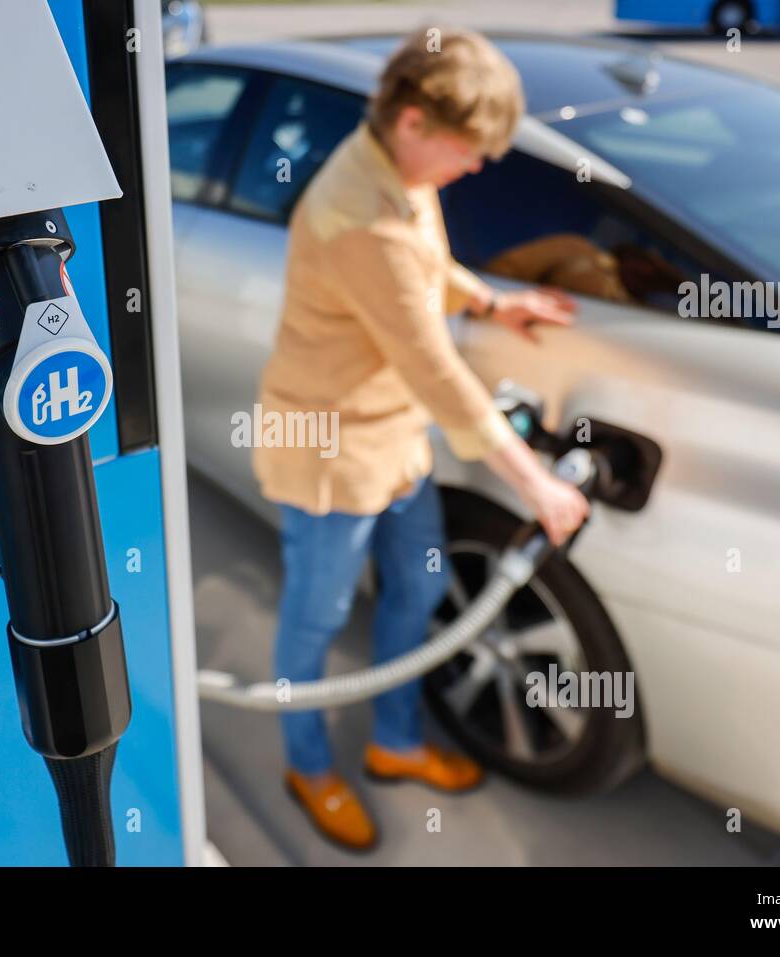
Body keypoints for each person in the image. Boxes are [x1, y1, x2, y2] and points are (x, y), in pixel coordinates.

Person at [251, 27, 590, 851]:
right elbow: (435, 367)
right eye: (466, 151)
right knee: (318, 618)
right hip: (332, 450)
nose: (471, 169)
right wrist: (536, 484)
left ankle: (394, 742)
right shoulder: (358, 217)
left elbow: (425, 267)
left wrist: (489, 303)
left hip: (396, 437)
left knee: (418, 583)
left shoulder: (397, 168)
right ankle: (308, 764)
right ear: (413, 120)